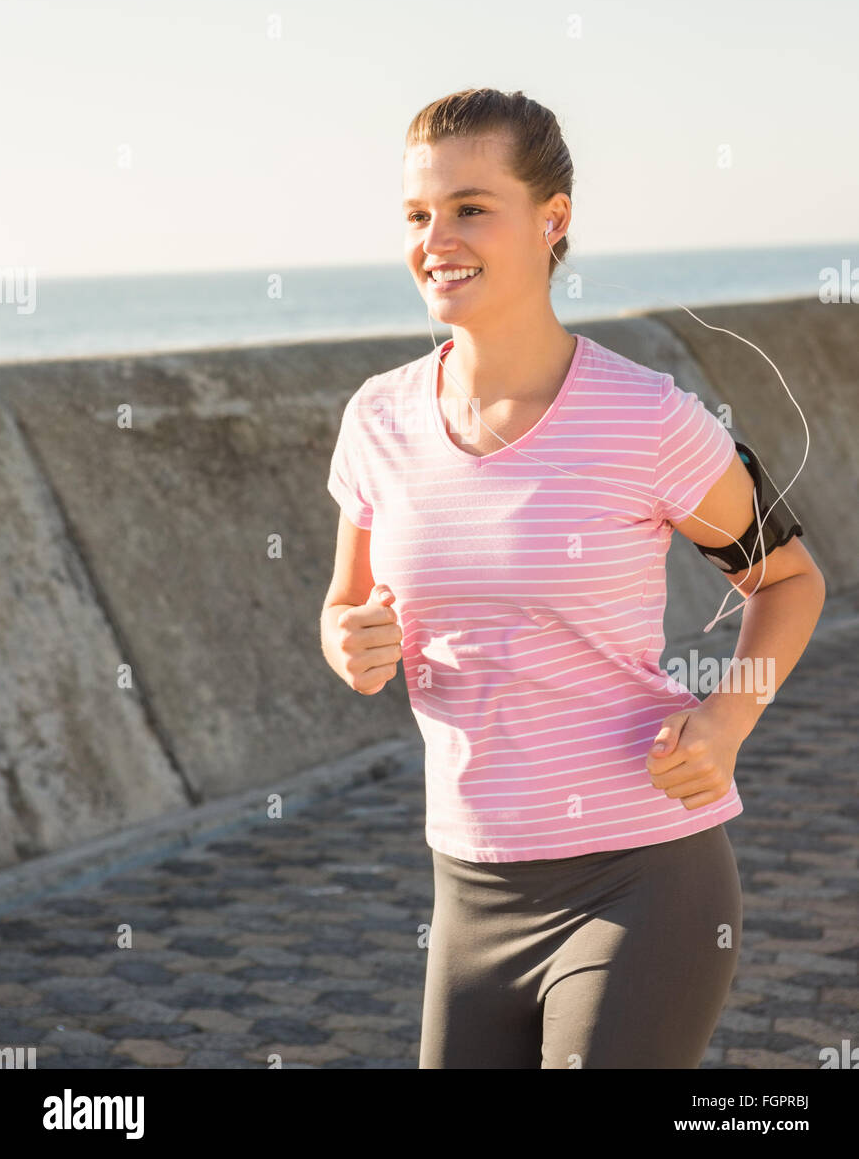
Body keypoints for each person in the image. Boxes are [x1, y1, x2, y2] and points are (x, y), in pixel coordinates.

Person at [320, 87, 826, 1069]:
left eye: (470, 207)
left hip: (640, 878)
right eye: (417, 215)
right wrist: (347, 640)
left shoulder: (646, 418)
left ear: (551, 222)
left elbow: (787, 579)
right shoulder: (377, 419)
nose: (436, 238)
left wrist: (725, 722)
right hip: (465, 888)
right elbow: (345, 611)